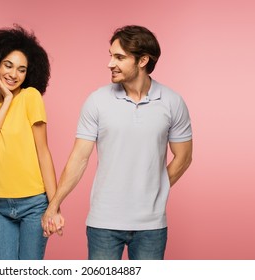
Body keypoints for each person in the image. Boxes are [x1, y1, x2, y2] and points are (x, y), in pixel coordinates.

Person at [42, 25, 192, 260]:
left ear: (143, 60)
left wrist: (156, 188)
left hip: (151, 227)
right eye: (110, 55)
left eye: (119, 57)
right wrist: (54, 205)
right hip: (103, 223)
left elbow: (184, 157)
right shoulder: (97, 101)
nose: (110, 63)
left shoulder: (172, 102)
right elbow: (79, 158)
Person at [0, 25, 63, 260]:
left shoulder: (31, 97)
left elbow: (43, 152)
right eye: (8, 66)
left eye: (21, 70)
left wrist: (54, 207)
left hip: (34, 204)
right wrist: (7, 100)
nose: (14, 74)